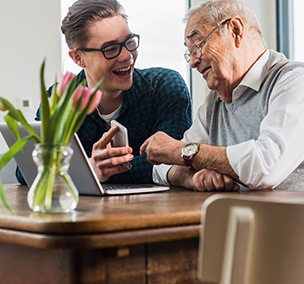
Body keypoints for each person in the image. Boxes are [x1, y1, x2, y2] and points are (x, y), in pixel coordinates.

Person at [140, 0, 304, 284]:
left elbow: (265, 167)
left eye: (197, 46)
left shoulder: (296, 82)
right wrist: (191, 176)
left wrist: (185, 153)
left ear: (234, 30)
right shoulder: (216, 103)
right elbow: (161, 168)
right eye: (188, 52)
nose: (192, 61)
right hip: (257, 255)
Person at [16, 0, 192, 185]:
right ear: (78, 58)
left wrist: (91, 171)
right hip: (82, 212)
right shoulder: (60, 98)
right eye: (111, 49)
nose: (127, 56)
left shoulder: (165, 86)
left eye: (129, 42)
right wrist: (91, 167)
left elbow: (175, 160)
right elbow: (25, 170)